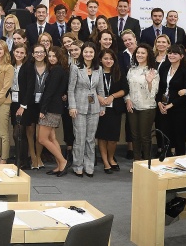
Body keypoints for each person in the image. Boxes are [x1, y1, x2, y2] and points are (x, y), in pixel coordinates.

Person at [68, 42, 105, 177]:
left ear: (95, 54)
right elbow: (71, 89)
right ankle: (78, 165)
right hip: (78, 107)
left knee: (90, 138)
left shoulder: (98, 69)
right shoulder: (75, 67)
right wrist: (72, 106)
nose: (88, 54)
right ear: (82, 53)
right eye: (86, 52)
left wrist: (103, 107)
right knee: (79, 138)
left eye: (91, 52)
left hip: (94, 107)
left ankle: (89, 165)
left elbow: (100, 89)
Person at [37, 47, 69, 176]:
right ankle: (59, 164)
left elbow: (49, 92)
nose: (51, 58)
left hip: (50, 108)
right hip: (55, 107)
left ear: (60, 56)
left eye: (54, 56)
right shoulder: (61, 69)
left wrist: (42, 109)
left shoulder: (56, 70)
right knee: (52, 137)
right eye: (49, 56)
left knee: (42, 139)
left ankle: (63, 161)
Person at [125, 45, 160, 163]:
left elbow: (153, 93)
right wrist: (128, 100)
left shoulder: (153, 71)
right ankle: (137, 161)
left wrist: (149, 82)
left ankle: (147, 162)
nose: (139, 55)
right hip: (132, 108)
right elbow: (127, 88)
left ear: (148, 55)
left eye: (143, 53)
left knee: (145, 136)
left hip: (147, 108)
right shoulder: (131, 70)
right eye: (138, 53)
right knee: (134, 136)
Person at [95, 49, 128, 173]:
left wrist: (112, 96)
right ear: (100, 60)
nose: (108, 61)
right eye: (105, 58)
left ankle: (111, 157)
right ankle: (105, 161)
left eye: (111, 59)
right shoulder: (96, 72)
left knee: (113, 138)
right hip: (99, 108)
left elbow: (125, 89)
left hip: (114, 108)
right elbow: (91, 87)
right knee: (102, 136)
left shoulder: (119, 72)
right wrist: (99, 98)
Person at [156, 45, 186, 157]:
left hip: (179, 109)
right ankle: (167, 160)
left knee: (179, 137)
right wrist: (159, 102)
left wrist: (172, 104)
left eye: (175, 53)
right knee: (165, 135)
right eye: (170, 53)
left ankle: (180, 160)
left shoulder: (185, 71)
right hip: (164, 107)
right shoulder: (164, 68)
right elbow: (160, 88)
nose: (171, 55)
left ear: (181, 56)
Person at [17, 44, 46, 169]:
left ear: (45, 53)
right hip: (30, 102)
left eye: (41, 52)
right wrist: (23, 104)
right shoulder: (28, 67)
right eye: (36, 52)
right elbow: (24, 87)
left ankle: (39, 157)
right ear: (32, 54)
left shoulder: (50, 67)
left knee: (41, 133)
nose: (39, 54)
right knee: (30, 131)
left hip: (44, 103)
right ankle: (33, 157)